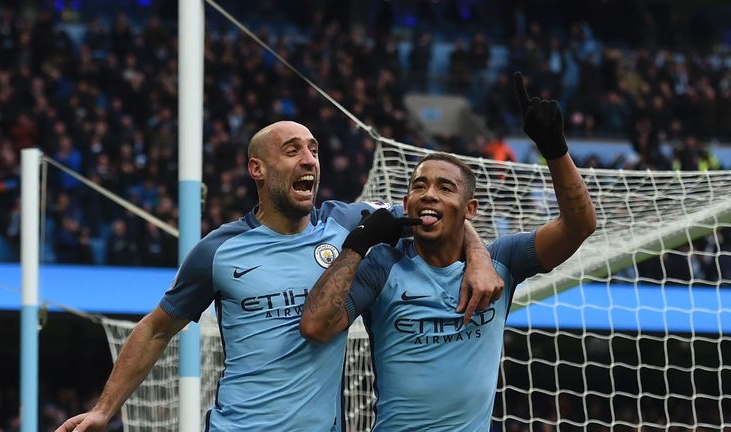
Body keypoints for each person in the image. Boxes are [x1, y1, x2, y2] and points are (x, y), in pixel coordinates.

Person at [55, 120, 503, 432]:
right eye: (293, 151)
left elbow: (431, 213)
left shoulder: (351, 223)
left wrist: (479, 255)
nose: (309, 159)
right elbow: (155, 329)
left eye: (313, 150)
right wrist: (103, 410)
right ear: (258, 169)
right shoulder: (219, 250)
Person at [299, 73, 597, 431]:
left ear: (469, 208)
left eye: (445, 187)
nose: (429, 194)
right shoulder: (382, 266)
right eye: (419, 186)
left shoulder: (504, 260)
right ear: (406, 201)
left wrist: (555, 149)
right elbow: (315, 326)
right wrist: (357, 245)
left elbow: (579, 226)